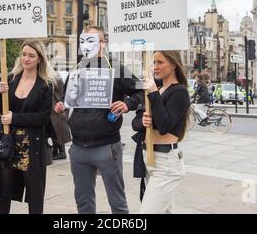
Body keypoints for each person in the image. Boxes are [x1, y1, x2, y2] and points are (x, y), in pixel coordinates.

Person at [54, 26, 143, 214]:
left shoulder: (117, 69)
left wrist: (127, 104)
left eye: (92, 40)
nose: (86, 45)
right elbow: (67, 99)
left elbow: (141, 91)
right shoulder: (76, 71)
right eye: (83, 41)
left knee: (117, 202)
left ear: (103, 43)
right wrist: (61, 105)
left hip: (107, 147)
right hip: (78, 147)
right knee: (83, 203)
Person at [0, 40, 56, 214]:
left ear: (40, 59)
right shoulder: (10, 78)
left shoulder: (45, 85)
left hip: (31, 146)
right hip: (8, 142)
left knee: (34, 193)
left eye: (31, 55)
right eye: (24, 54)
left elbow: (42, 118)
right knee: (4, 191)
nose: (26, 59)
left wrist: (14, 118)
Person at [132, 50, 191, 214]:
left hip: (166, 164)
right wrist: (143, 121)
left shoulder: (179, 91)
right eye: (154, 63)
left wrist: (153, 94)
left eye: (160, 62)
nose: (155, 67)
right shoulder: (158, 88)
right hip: (150, 159)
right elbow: (136, 121)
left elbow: (165, 125)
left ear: (173, 64)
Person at [50, 73, 71, 160]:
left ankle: (62, 152)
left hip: (58, 108)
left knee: (58, 131)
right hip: (53, 108)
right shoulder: (54, 77)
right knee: (54, 131)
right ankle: (55, 151)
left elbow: (62, 93)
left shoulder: (56, 78)